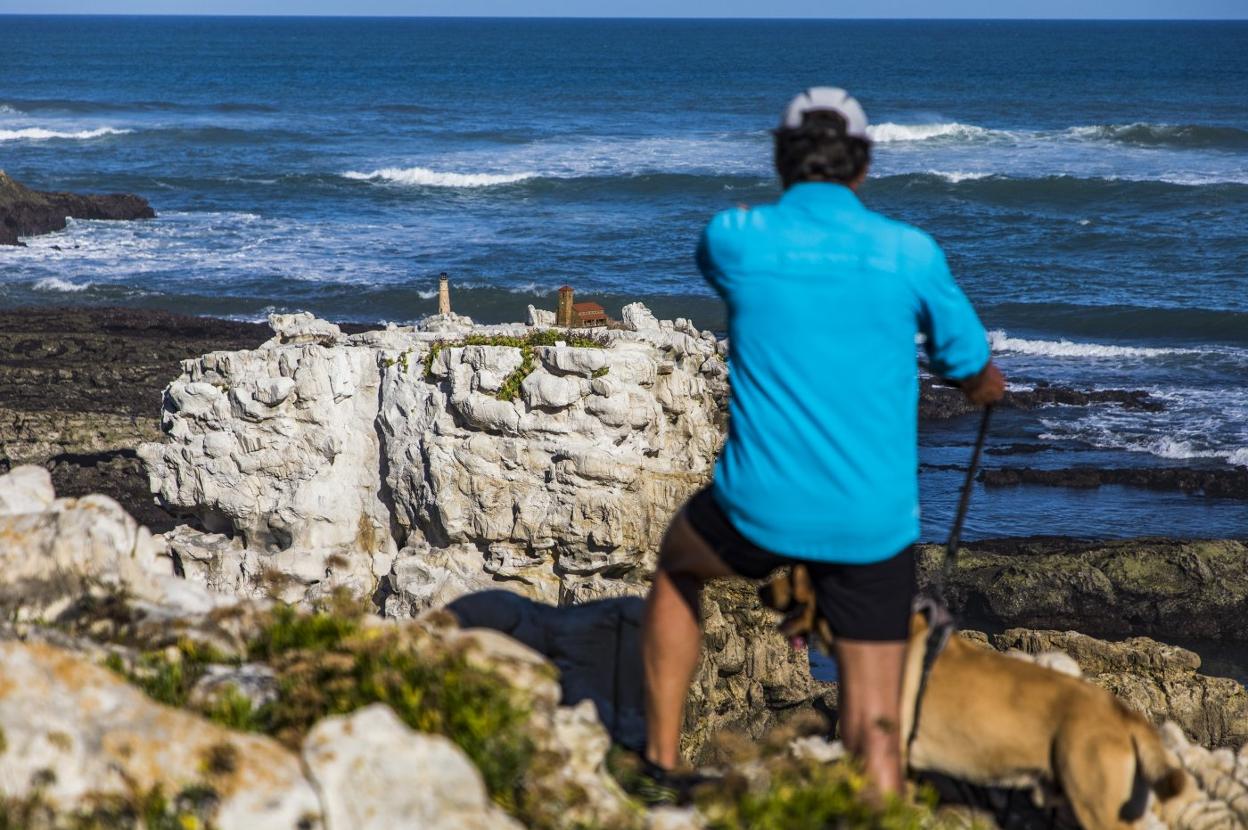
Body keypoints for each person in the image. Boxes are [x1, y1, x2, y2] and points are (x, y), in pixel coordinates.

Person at [640, 87, 1006, 799]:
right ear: (862, 166)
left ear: (781, 158)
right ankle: (868, 810)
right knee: (873, 717)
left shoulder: (734, 237)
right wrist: (987, 387)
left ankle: (660, 764)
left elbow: (734, 275)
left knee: (678, 567)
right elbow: (968, 367)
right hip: (869, 523)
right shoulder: (909, 252)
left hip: (756, 511)